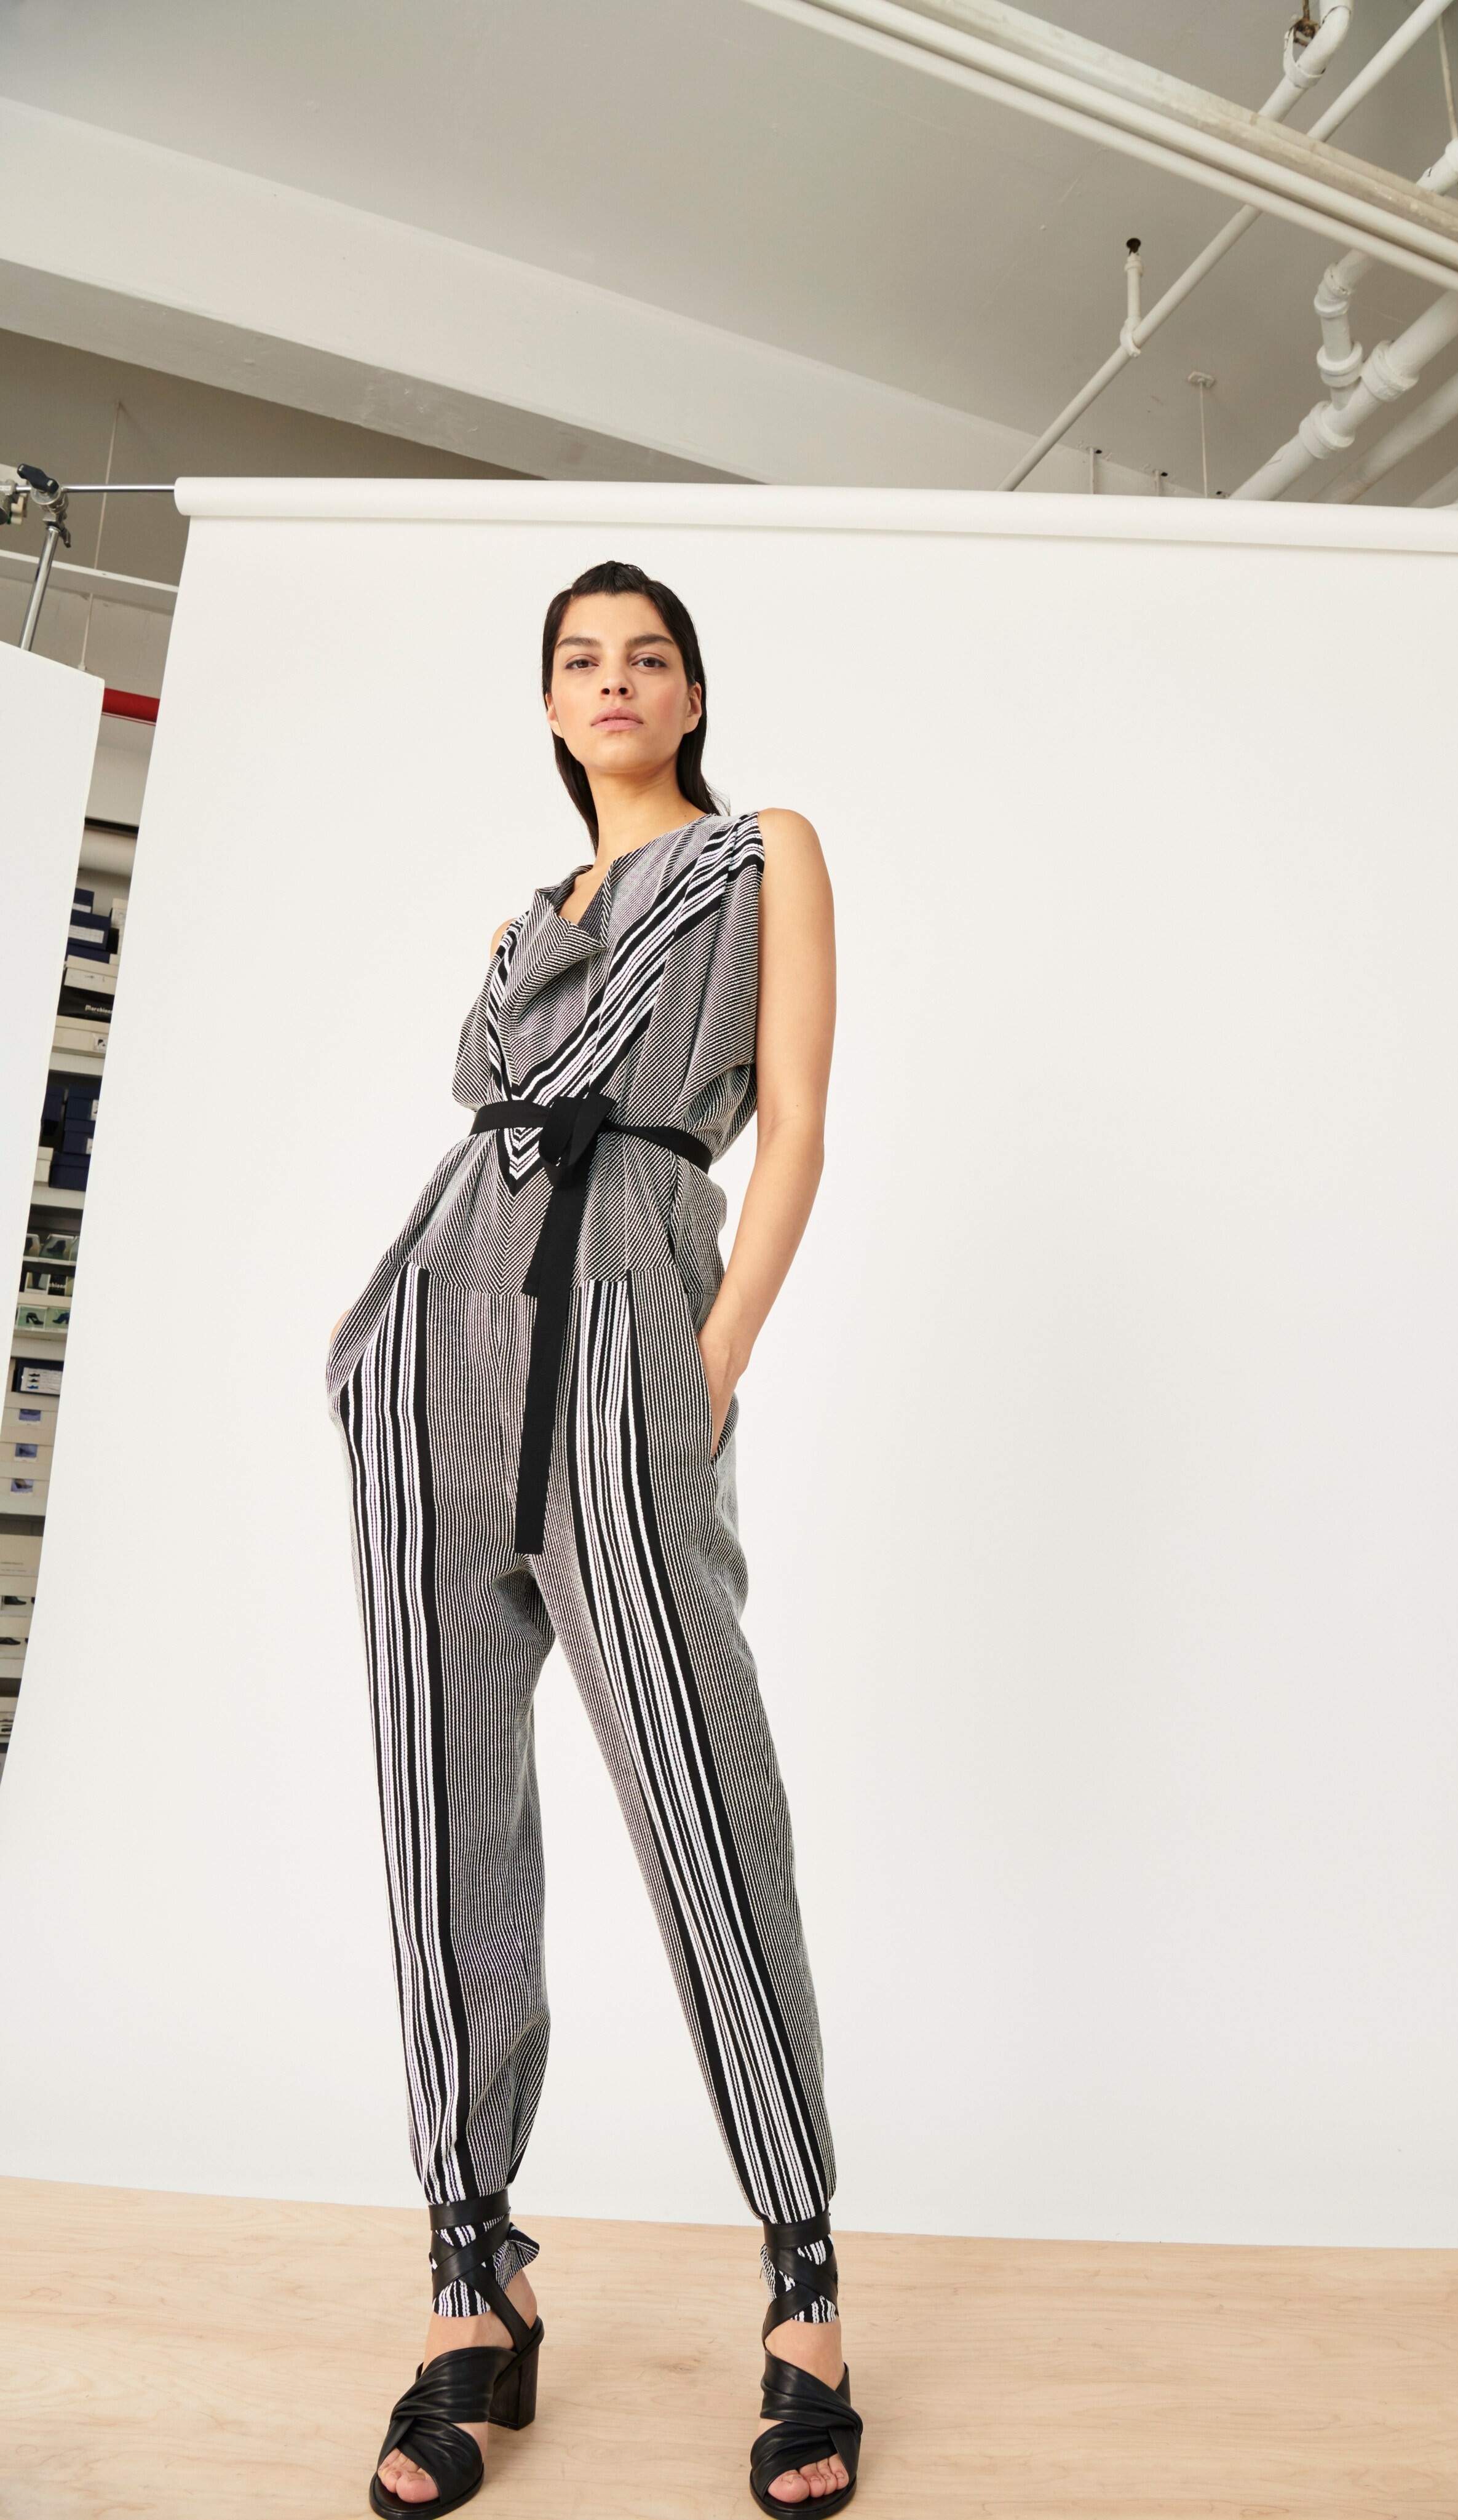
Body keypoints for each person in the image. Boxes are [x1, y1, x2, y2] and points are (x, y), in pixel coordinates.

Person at [327, 560, 861, 2516]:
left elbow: (791, 1123)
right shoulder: (519, 919)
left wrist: (709, 1363)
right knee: (446, 1815)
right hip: (438, 1345)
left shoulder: (757, 853)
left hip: (629, 1325)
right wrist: (379, 1356)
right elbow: (490, 1116)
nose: (614, 680)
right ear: (551, 706)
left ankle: (803, 2286)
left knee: (708, 1805)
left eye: (648, 655)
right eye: (581, 659)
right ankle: (474, 2272)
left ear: (691, 692)